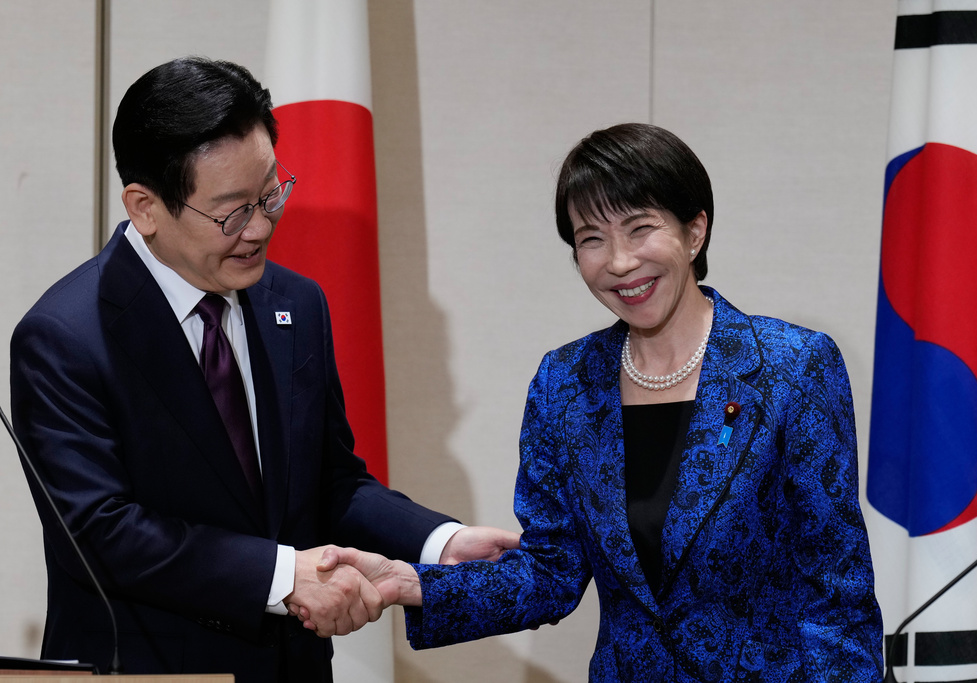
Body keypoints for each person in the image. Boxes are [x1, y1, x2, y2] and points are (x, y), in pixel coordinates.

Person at [314, 123, 884, 681]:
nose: (618, 262)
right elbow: (551, 571)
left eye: (640, 229)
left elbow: (838, 589)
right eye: (591, 239)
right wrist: (409, 582)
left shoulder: (792, 366)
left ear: (694, 231)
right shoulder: (564, 383)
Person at [9, 57, 518, 682]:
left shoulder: (296, 303)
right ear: (145, 207)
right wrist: (283, 576)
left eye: (271, 194)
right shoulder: (64, 336)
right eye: (231, 212)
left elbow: (330, 482)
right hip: (149, 668)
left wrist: (439, 543)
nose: (261, 227)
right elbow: (98, 530)